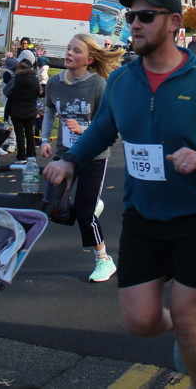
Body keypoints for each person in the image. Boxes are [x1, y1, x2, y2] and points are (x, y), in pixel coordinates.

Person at [42, 0, 196, 389]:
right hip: (142, 214)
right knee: (140, 321)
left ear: (174, 23)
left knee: (190, 317)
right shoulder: (122, 81)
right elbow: (102, 130)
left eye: (146, 16)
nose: (135, 24)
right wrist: (70, 161)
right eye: (131, 17)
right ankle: (183, 328)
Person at [41, 33, 123, 282]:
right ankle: (90, 207)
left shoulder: (98, 85)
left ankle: (103, 259)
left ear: (89, 60)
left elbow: (109, 125)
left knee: (86, 216)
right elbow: (49, 111)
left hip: (93, 155)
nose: (69, 53)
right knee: (53, 209)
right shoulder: (54, 83)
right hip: (64, 154)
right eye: (69, 48)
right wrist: (44, 140)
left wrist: (84, 129)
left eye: (76, 51)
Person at [3, 50, 41, 166]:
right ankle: (31, 156)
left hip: (17, 110)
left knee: (19, 134)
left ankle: (21, 157)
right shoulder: (35, 79)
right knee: (29, 133)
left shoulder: (15, 80)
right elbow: (39, 92)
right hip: (31, 110)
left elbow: (6, 92)